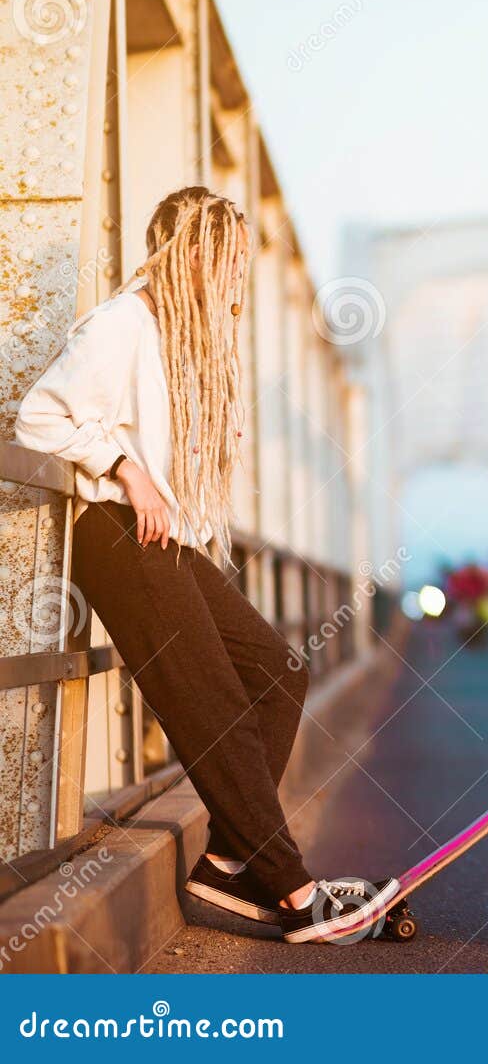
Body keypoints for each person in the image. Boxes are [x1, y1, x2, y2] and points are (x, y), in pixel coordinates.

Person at [16, 187, 396, 944]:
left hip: (165, 543)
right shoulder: (122, 323)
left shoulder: (177, 339)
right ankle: (292, 893)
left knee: (277, 673)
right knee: (213, 704)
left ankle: (225, 867)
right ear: (188, 254)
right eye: (226, 261)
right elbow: (37, 415)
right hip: (117, 537)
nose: (236, 279)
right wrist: (125, 466)